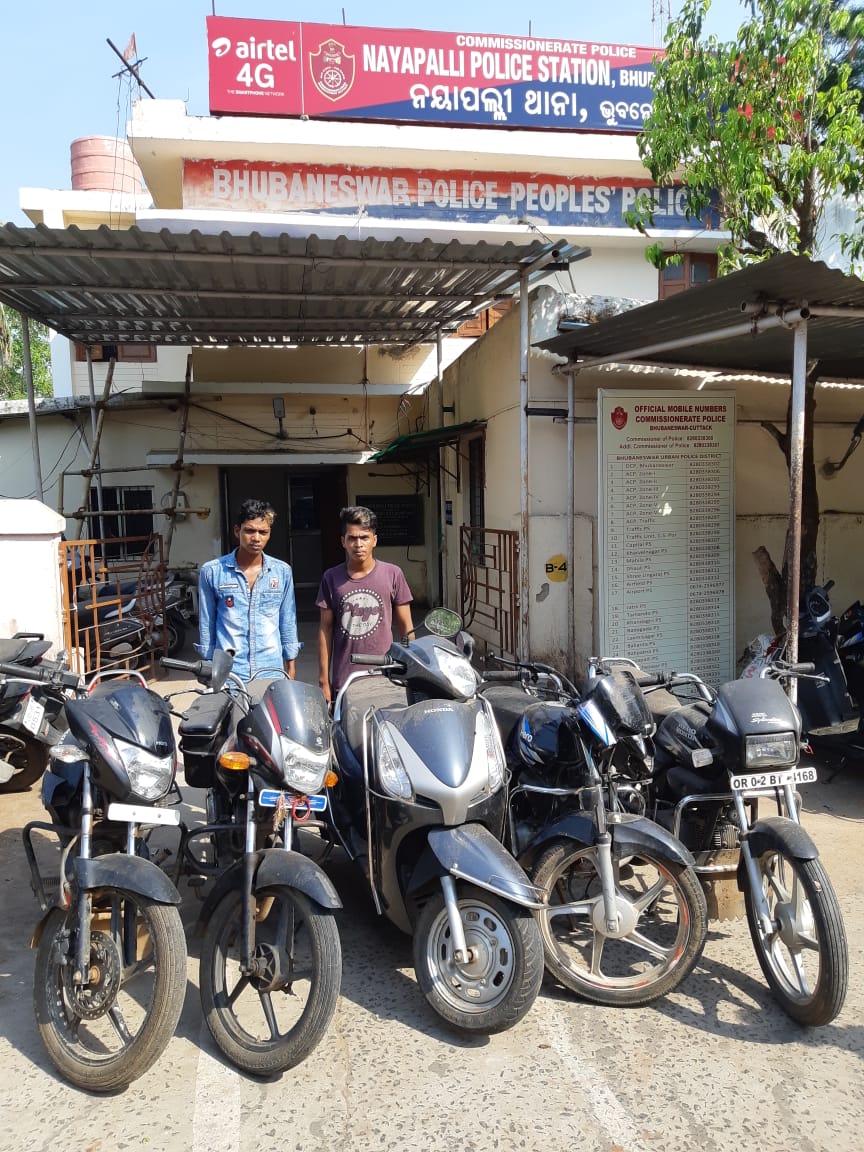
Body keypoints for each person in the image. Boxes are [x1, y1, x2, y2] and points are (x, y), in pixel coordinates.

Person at [316, 505, 413, 704]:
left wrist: (411, 670)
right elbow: (325, 629)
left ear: (374, 540)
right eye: (352, 538)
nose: (358, 544)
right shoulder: (331, 578)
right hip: (346, 680)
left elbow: (407, 628)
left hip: (385, 676)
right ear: (343, 541)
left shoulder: (393, 574)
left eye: (364, 537)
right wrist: (323, 680)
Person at [198, 498, 300, 681]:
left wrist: (290, 666)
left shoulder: (282, 572)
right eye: (250, 531)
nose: (256, 538)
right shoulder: (212, 572)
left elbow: (287, 621)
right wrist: (207, 665)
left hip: (271, 670)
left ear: (269, 533)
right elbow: (207, 623)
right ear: (237, 531)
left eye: (263, 532)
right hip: (229, 672)